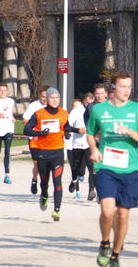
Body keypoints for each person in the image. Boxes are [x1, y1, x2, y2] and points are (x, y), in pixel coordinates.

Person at [87, 72, 138, 267]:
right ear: (113, 89)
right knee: (108, 211)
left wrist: (130, 132)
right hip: (106, 167)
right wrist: (94, 149)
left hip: (129, 168)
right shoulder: (99, 109)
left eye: (129, 87)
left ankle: (116, 254)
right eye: (123, 86)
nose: (127, 90)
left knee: (123, 216)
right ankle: (105, 242)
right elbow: (90, 133)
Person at [24, 87, 82, 221]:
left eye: (57, 98)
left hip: (57, 152)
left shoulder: (63, 113)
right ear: (47, 99)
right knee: (44, 181)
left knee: (57, 181)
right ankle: (44, 195)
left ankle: (56, 210)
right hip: (42, 152)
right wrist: (40, 133)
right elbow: (26, 130)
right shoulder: (39, 113)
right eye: (52, 98)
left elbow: (66, 127)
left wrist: (77, 130)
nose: (55, 100)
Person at [84, 83, 108, 201]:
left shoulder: (111, 106)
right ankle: (93, 190)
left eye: (101, 93)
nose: (99, 96)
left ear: (106, 94)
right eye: (97, 94)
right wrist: (91, 132)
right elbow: (86, 119)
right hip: (94, 140)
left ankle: (102, 191)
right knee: (93, 167)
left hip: (107, 141)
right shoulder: (90, 107)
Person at [23, 86, 48, 194]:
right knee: (37, 164)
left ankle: (44, 185)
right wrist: (37, 127)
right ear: (39, 96)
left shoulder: (52, 106)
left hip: (48, 140)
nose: (45, 99)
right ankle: (34, 179)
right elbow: (25, 120)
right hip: (35, 139)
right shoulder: (34, 106)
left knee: (46, 165)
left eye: (47, 96)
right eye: (43, 96)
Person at [67, 99, 94, 199]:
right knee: (75, 168)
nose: (77, 108)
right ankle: (75, 184)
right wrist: (75, 131)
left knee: (91, 168)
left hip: (86, 145)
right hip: (72, 145)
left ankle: (92, 190)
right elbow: (67, 127)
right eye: (75, 106)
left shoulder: (88, 114)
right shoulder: (72, 115)